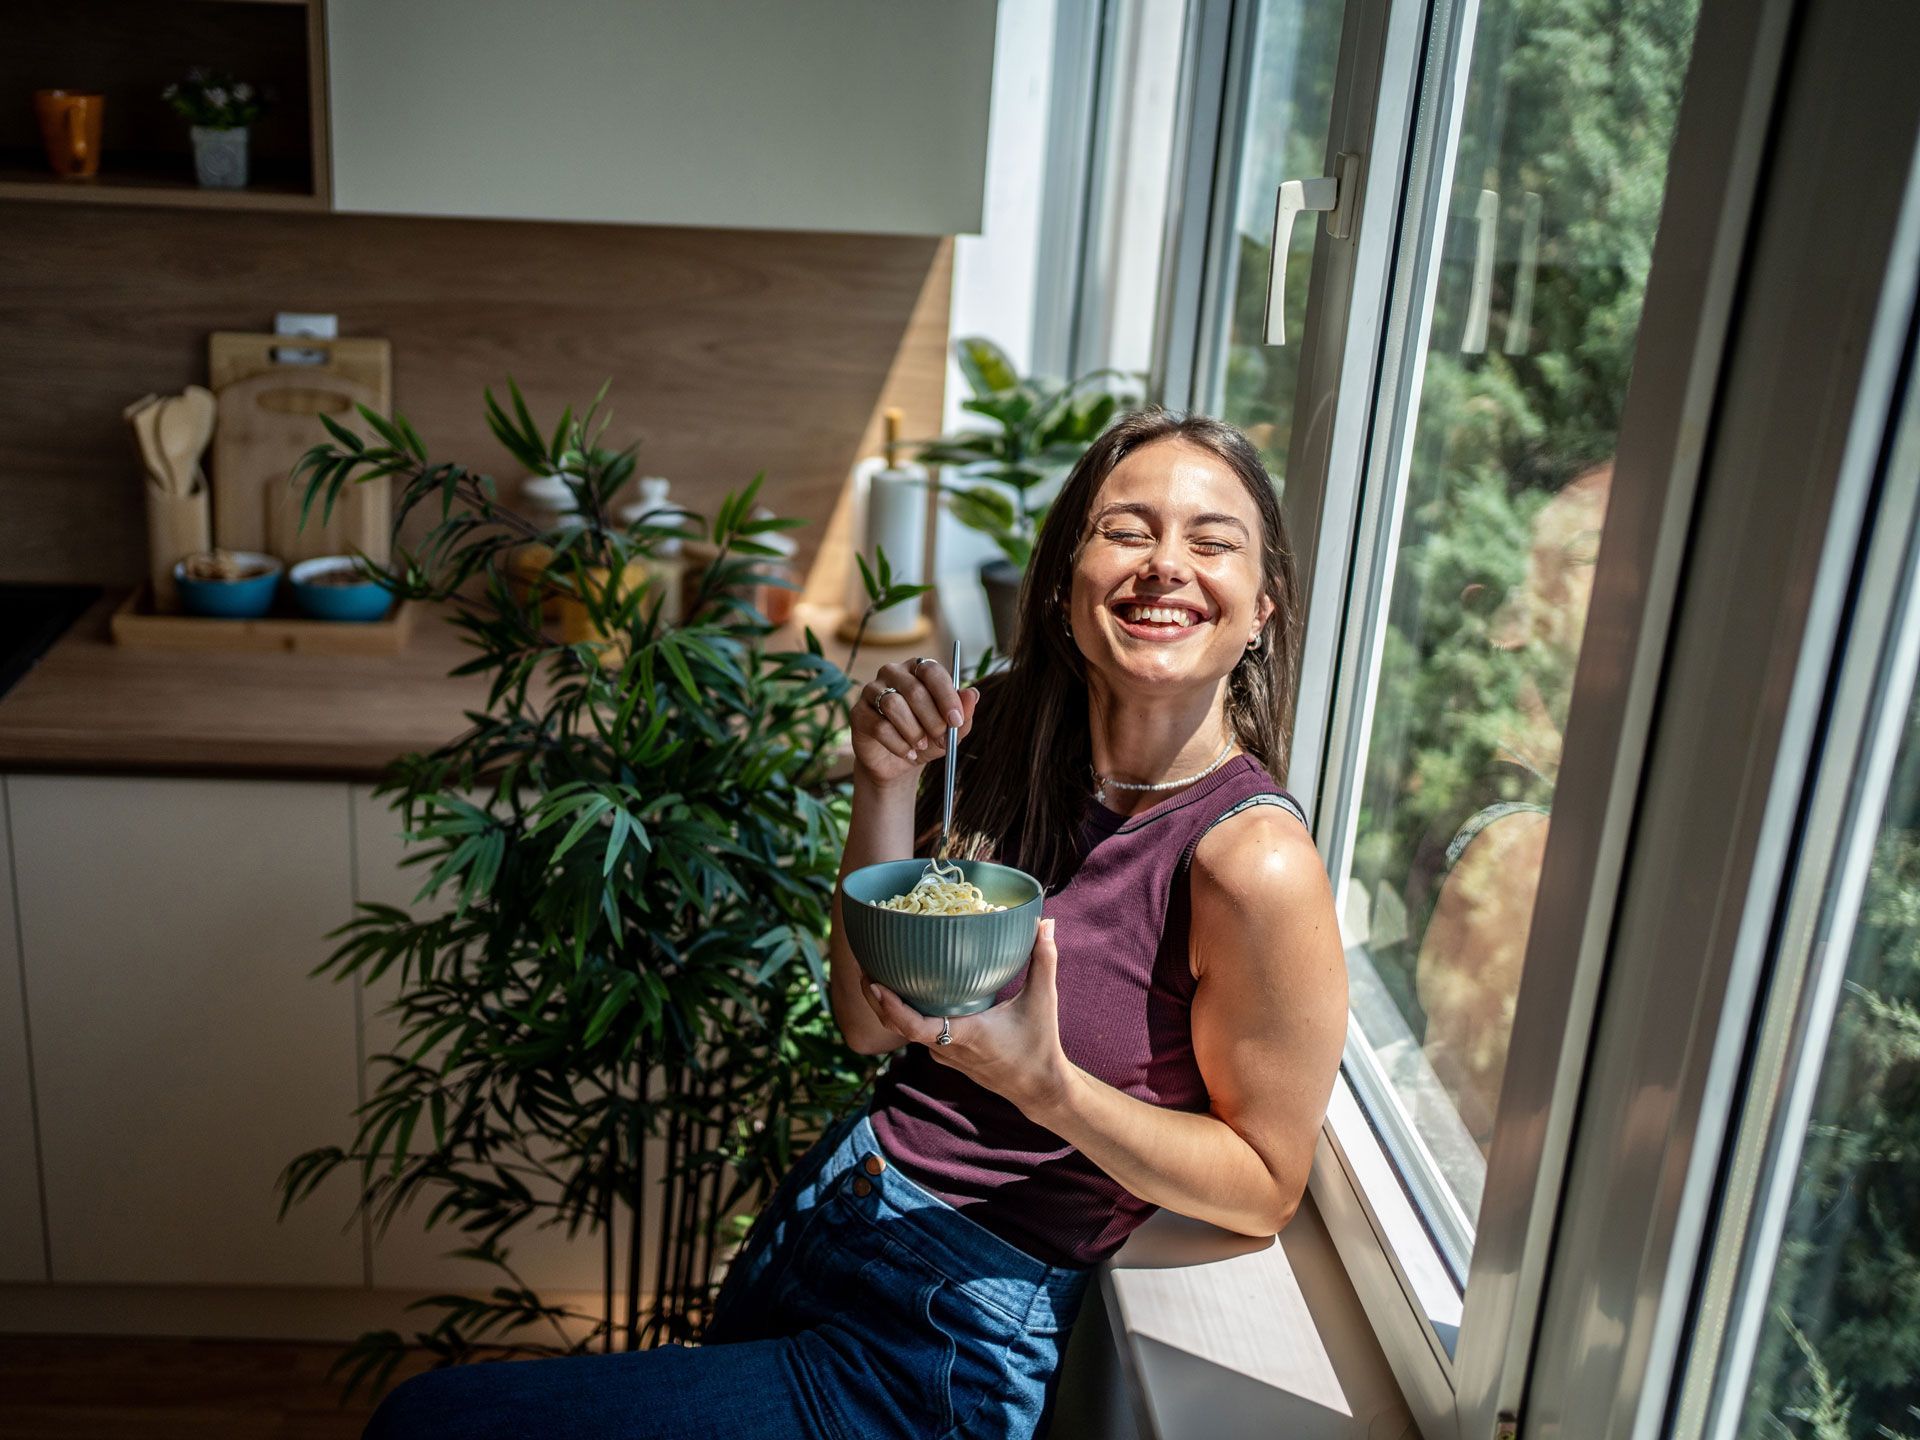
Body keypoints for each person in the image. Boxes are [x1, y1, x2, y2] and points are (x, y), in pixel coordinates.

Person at [361, 407, 1349, 1440]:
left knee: (431, 1424)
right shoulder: (1009, 733)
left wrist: (1049, 1090)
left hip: (941, 1338)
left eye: (1212, 541)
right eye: (1128, 530)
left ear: (1263, 607)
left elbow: (1266, 1184)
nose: (1166, 566)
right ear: (1063, 585)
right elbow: (871, 1020)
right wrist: (882, 782)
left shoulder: (1255, 861)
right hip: (834, 1214)